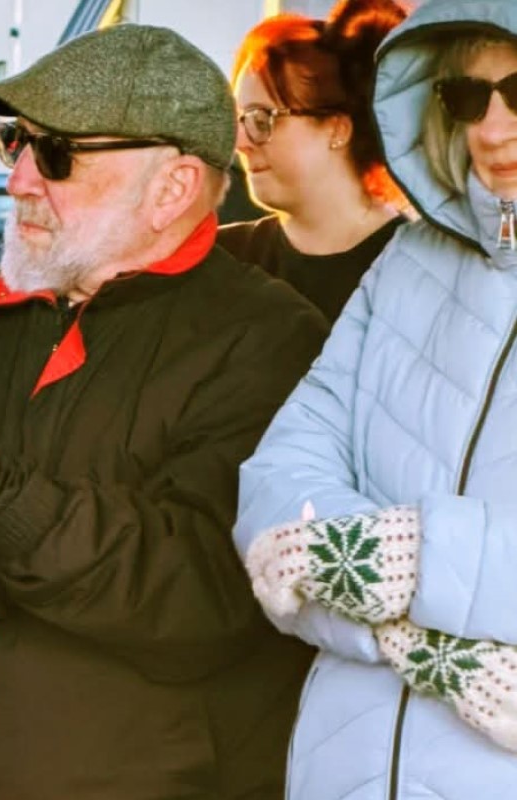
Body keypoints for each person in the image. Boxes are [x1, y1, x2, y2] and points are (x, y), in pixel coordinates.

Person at [0, 23, 328, 800]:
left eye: (58, 155)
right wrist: (19, 551)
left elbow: (205, 595)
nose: (17, 180)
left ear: (172, 189)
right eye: (16, 141)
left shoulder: (264, 339)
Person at [235, 0, 517, 796]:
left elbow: (314, 555)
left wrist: (407, 558)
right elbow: (275, 492)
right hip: (340, 769)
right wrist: (423, 645)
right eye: (467, 97)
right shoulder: (408, 262)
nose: (493, 129)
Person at [218, 0, 407, 322]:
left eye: (261, 119)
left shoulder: (420, 270)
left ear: (337, 129)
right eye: (239, 120)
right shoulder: (222, 259)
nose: (240, 144)